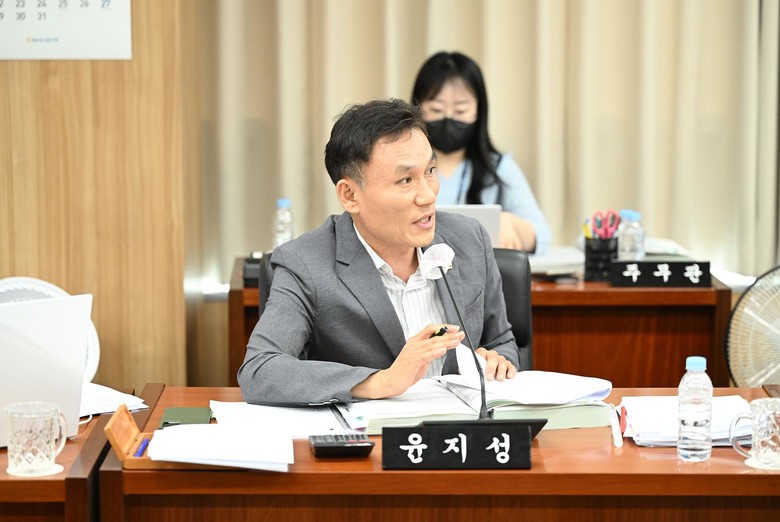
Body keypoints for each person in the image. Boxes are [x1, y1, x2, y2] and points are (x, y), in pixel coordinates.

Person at [238, 99, 522, 405]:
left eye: (430, 171)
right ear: (350, 195)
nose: (428, 195)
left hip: (461, 428)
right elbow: (260, 370)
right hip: (369, 432)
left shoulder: (469, 239)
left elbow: (501, 340)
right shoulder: (305, 263)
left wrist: (498, 360)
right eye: (405, 180)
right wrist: (382, 381)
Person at [411, 51, 551, 254]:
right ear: (417, 109)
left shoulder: (499, 167)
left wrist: (508, 222)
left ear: (478, 111)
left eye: (460, 111)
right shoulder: (403, 167)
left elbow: (542, 237)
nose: (448, 118)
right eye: (436, 110)